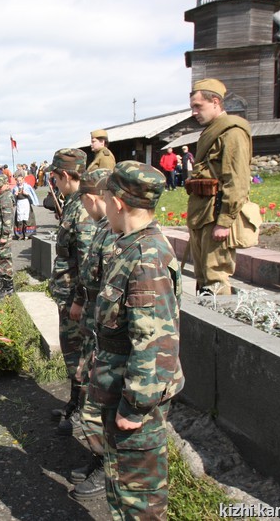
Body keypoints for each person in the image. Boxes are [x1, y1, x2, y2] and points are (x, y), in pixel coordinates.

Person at [91, 160, 183, 519]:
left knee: (138, 496)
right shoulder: (130, 245)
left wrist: (135, 406)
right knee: (121, 482)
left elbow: (155, 341)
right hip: (119, 386)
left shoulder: (146, 257)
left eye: (106, 199)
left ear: (117, 203)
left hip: (134, 397)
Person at [66, 168, 118, 501]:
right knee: (91, 395)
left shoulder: (115, 234)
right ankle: (99, 458)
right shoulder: (103, 227)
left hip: (107, 331)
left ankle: (108, 468)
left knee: (101, 403)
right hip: (95, 324)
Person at [186, 78, 253, 295]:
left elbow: (237, 180)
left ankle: (217, 314)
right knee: (202, 276)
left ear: (215, 102)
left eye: (198, 106)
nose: (194, 112)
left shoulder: (232, 132)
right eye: (192, 107)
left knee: (215, 277)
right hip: (202, 213)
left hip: (216, 214)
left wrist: (224, 222)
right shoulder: (211, 131)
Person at [46, 149, 96, 435]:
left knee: (80, 356)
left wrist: (79, 300)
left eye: (55, 177)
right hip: (68, 294)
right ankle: (74, 403)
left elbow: (88, 262)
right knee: (72, 354)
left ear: (65, 174)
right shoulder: (74, 202)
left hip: (76, 298)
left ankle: (83, 415)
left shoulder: (83, 208)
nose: (54, 183)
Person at [12, 170, 40, 240]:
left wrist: (27, 194)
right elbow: (13, 199)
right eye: (18, 181)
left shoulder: (27, 187)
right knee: (20, 219)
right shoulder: (15, 188)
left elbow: (31, 196)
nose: (19, 182)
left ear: (23, 180)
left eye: (20, 180)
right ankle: (20, 234)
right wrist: (15, 195)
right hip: (19, 204)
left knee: (27, 218)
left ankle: (28, 234)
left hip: (26, 204)